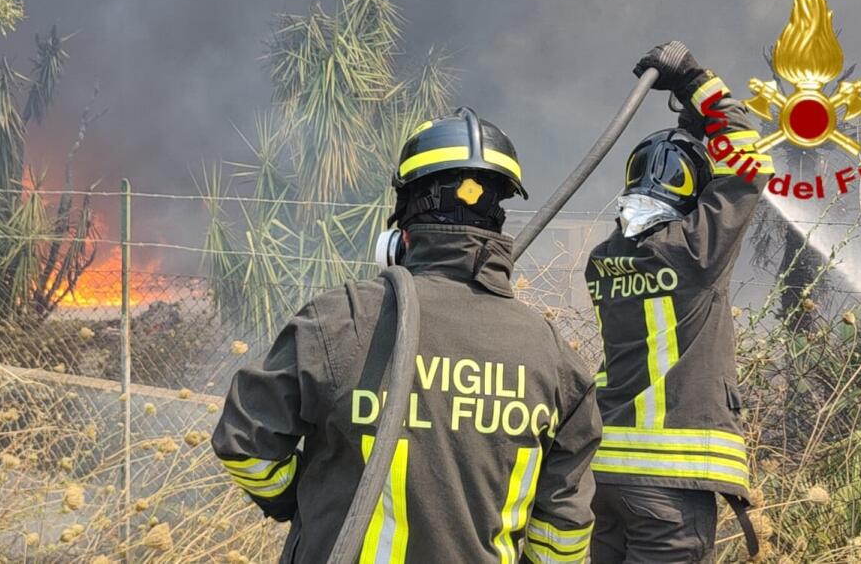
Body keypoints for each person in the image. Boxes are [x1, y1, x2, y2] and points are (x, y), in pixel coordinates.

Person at [212, 108, 602, 564]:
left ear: (401, 228)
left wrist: (302, 501)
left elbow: (245, 442)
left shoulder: (341, 320)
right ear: (499, 220)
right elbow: (563, 534)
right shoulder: (554, 359)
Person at [585, 42, 773, 563]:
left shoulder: (604, 259)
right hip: (670, 485)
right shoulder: (695, 251)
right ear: (693, 190)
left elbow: (646, 227)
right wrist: (696, 82)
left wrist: (691, 132)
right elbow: (748, 160)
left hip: (606, 477)